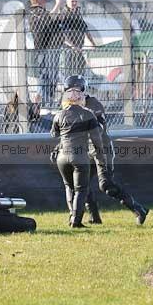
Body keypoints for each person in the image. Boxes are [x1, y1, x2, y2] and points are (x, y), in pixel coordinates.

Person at [64, 74, 149, 225]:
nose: (73, 95)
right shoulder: (69, 107)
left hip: (102, 149)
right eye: (70, 91)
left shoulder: (93, 104)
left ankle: (139, 209)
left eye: (77, 91)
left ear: (84, 90)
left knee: (105, 185)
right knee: (81, 183)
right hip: (86, 150)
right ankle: (94, 217)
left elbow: (100, 127)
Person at [51, 85, 105, 228]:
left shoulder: (59, 115)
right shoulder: (88, 114)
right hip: (80, 156)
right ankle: (76, 221)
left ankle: (72, 217)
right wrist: (101, 157)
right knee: (81, 190)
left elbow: (54, 134)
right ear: (81, 99)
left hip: (62, 157)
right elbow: (97, 139)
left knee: (69, 187)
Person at [28, 0, 63, 106]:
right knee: (45, 76)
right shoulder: (36, 11)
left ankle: (39, 99)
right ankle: (46, 102)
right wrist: (57, 4)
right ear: (38, 0)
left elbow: (51, 22)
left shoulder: (40, 12)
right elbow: (49, 18)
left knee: (47, 76)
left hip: (48, 48)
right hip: (43, 48)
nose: (46, 1)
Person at [59, 0, 95, 77]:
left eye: (76, 1)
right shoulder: (63, 15)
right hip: (67, 50)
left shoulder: (77, 14)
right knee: (69, 72)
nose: (74, 3)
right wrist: (72, 46)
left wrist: (92, 43)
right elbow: (62, 34)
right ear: (67, 2)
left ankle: (79, 88)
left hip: (79, 47)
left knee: (80, 70)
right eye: (72, 1)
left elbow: (85, 29)